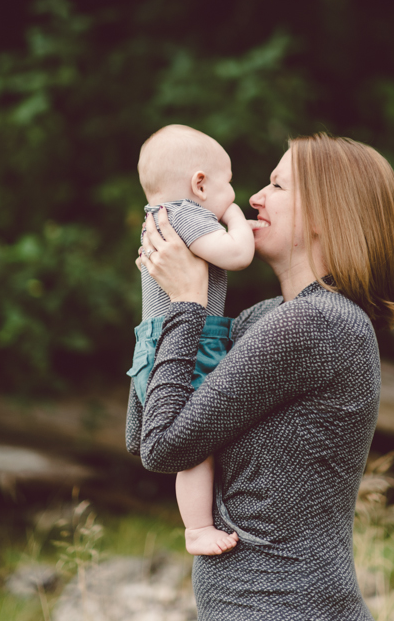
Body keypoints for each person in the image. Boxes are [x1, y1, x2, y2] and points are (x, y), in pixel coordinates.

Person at [128, 132, 394, 621]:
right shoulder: (266, 318)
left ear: (326, 213)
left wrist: (187, 304)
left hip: (286, 605)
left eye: (278, 186)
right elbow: (145, 431)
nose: (253, 198)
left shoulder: (317, 324)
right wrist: (162, 304)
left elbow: (164, 446)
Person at [126, 124, 254, 555]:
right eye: (229, 183)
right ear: (200, 183)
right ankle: (198, 529)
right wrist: (234, 217)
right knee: (194, 441)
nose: (233, 194)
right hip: (190, 340)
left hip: (156, 343)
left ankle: (199, 522)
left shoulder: (157, 220)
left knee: (194, 436)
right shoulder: (189, 215)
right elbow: (237, 255)